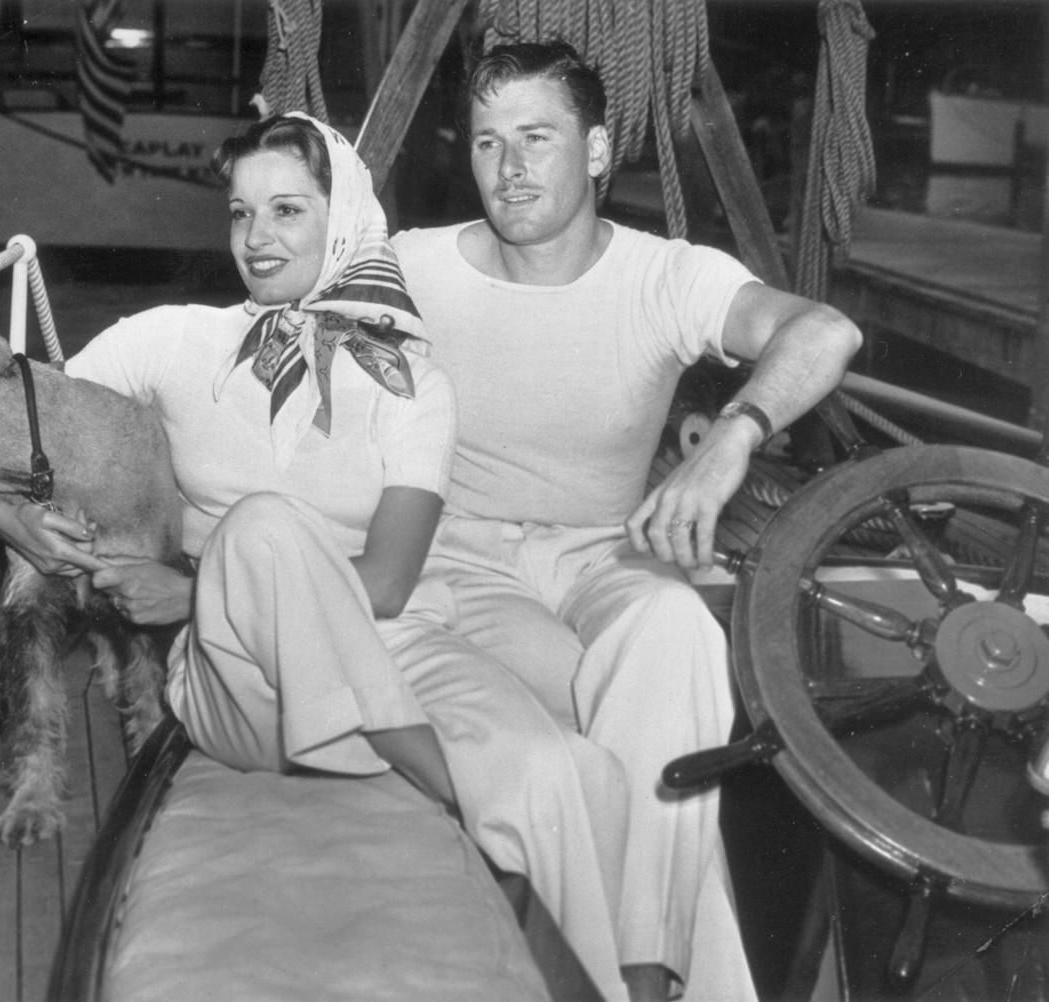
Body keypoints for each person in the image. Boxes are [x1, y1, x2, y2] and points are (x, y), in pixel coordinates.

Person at [0, 113, 635, 1000]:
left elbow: (390, 581)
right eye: (241, 213)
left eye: (287, 210)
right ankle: (419, 758)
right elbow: (18, 411)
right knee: (263, 524)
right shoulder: (176, 341)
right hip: (238, 675)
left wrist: (187, 591)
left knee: (567, 774)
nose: (257, 239)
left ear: (344, 218)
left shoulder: (413, 383)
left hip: (389, 639)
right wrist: (7, 511)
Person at [386, 41, 864, 1002]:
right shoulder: (410, 271)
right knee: (605, 730)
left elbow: (827, 332)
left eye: (536, 138)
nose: (509, 170)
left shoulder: (663, 277)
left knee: (676, 628)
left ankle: (640, 971)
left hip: (607, 554)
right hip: (462, 567)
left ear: (599, 151)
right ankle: (657, 981)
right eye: (487, 142)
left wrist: (730, 442)